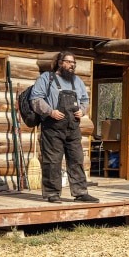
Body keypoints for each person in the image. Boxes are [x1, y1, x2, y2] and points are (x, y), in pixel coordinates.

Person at [29, 50, 99, 204]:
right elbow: (35, 99)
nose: (72, 65)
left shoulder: (78, 81)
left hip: (73, 127)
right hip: (52, 126)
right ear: (60, 63)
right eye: (69, 62)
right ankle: (52, 193)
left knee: (77, 159)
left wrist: (82, 110)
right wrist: (50, 111)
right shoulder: (46, 78)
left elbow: (85, 100)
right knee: (52, 161)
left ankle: (81, 193)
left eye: (74, 63)